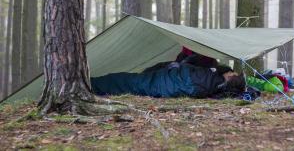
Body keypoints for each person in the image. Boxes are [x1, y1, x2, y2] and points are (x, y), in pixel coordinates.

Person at [91, 61, 246, 99]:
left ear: (230, 77)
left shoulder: (212, 79)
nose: (231, 72)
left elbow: (186, 75)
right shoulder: (216, 86)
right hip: (164, 82)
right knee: (127, 80)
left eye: (232, 73)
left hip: (162, 83)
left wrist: (176, 67)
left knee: (124, 81)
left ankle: (91, 85)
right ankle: (92, 84)